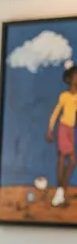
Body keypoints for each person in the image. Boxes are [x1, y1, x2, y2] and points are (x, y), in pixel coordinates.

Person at [47, 62, 77, 208]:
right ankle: (60, 192)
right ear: (70, 79)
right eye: (75, 76)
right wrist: (50, 129)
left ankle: (60, 189)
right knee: (63, 158)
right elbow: (56, 112)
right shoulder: (64, 95)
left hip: (71, 130)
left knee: (72, 161)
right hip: (63, 128)